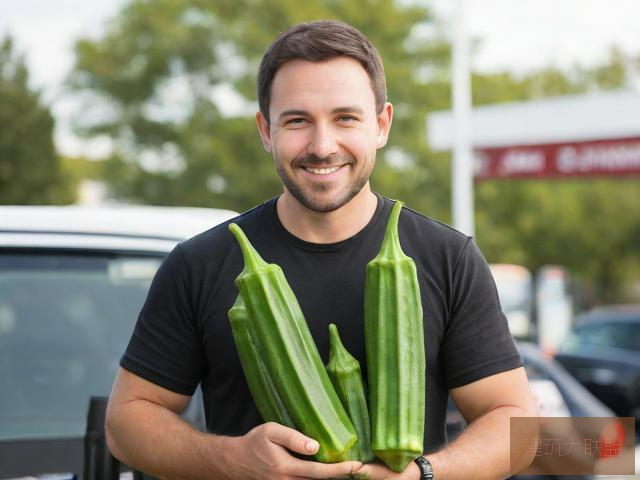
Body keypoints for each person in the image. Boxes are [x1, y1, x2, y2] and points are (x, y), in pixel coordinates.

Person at [106, 19, 538, 479]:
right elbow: (126, 423)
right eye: (297, 121)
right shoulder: (200, 264)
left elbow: (519, 426)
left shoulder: (445, 258)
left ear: (382, 124)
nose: (322, 145)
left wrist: (425, 475)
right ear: (265, 131)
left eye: (345, 118)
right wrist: (230, 461)